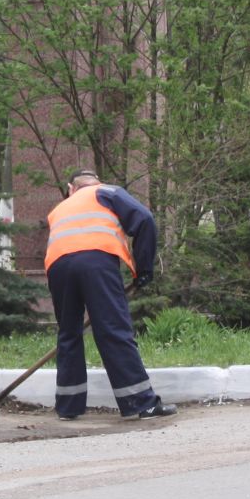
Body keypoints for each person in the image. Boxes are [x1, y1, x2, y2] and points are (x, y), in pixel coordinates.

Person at [45, 168, 176, 420]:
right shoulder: (107, 191)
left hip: (58, 267)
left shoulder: (60, 208)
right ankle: (141, 403)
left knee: (68, 334)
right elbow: (145, 219)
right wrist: (144, 268)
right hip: (96, 261)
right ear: (95, 183)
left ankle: (68, 407)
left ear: (71, 188)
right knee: (113, 330)